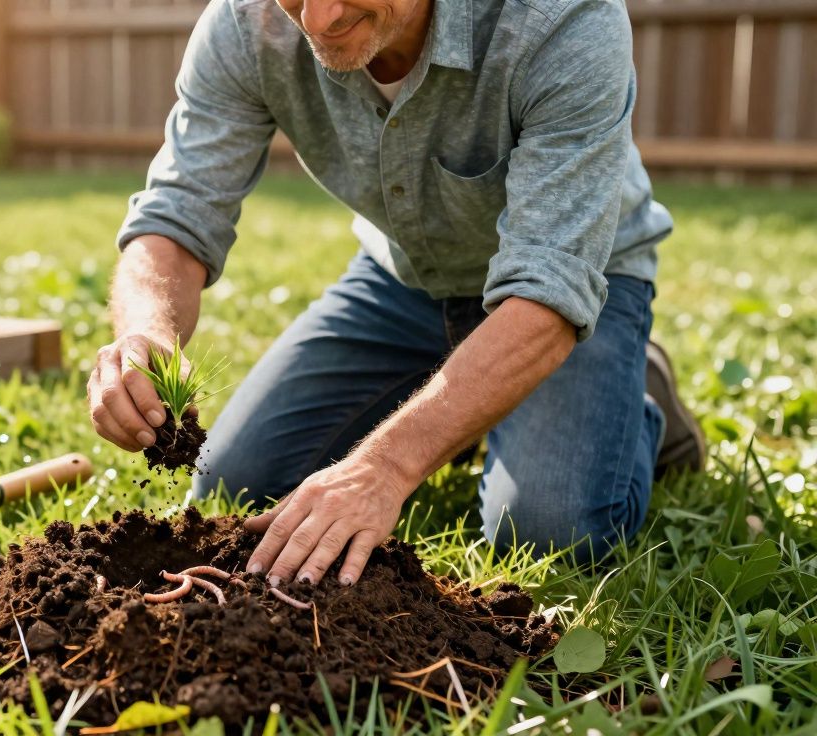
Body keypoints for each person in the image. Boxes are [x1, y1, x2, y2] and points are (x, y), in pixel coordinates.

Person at [86, 0, 706, 584]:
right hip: (405, 279)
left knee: (547, 532)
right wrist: (146, 331)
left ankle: (634, 398)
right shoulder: (244, 22)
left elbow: (550, 287)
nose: (318, 20)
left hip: (570, 292)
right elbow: (179, 208)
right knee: (236, 485)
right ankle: (465, 399)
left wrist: (385, 466)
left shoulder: (562, 19)